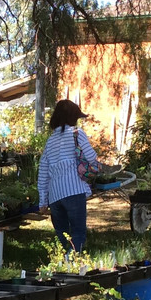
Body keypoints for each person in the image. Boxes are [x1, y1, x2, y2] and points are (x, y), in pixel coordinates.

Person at [37, 99, 97, 252]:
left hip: (55, 196)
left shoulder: (50, 142)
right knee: (78, 233)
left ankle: (63, 264)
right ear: (72, 118)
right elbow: (91, 158)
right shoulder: (77, 134)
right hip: (74, 191)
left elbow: (43, 172)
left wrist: (43, 201)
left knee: (63, 236)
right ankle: (72, 265)